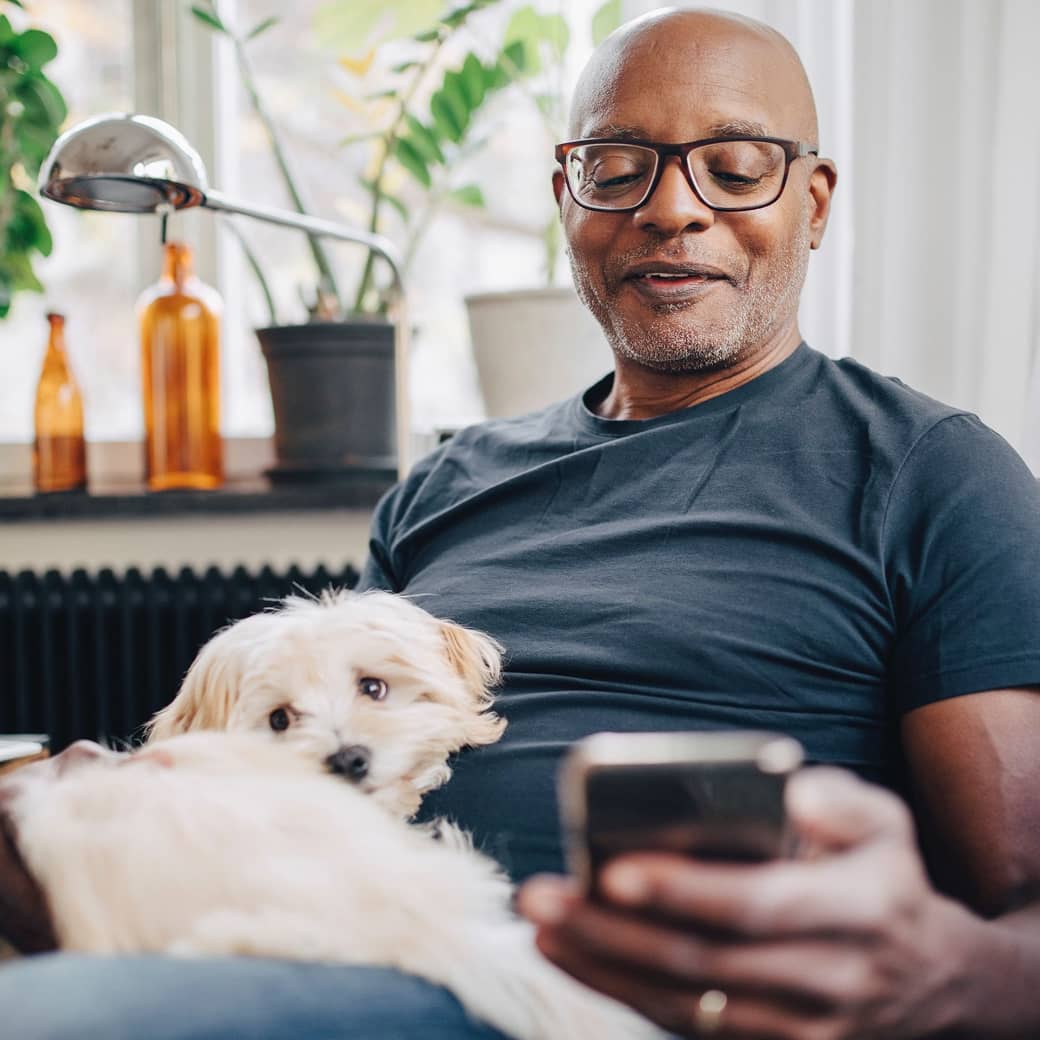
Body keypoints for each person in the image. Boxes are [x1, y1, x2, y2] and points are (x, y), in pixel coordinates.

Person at [1, 7, 1038, 1038]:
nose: (672, 208)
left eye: (732, 167)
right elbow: (323, 761)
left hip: (627, 998)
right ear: (564, 198)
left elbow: (1020, 900)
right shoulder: (445, 483)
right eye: (616, 165)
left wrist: (948, 974)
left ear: (811, 204)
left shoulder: (928, 471)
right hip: (350, 935)